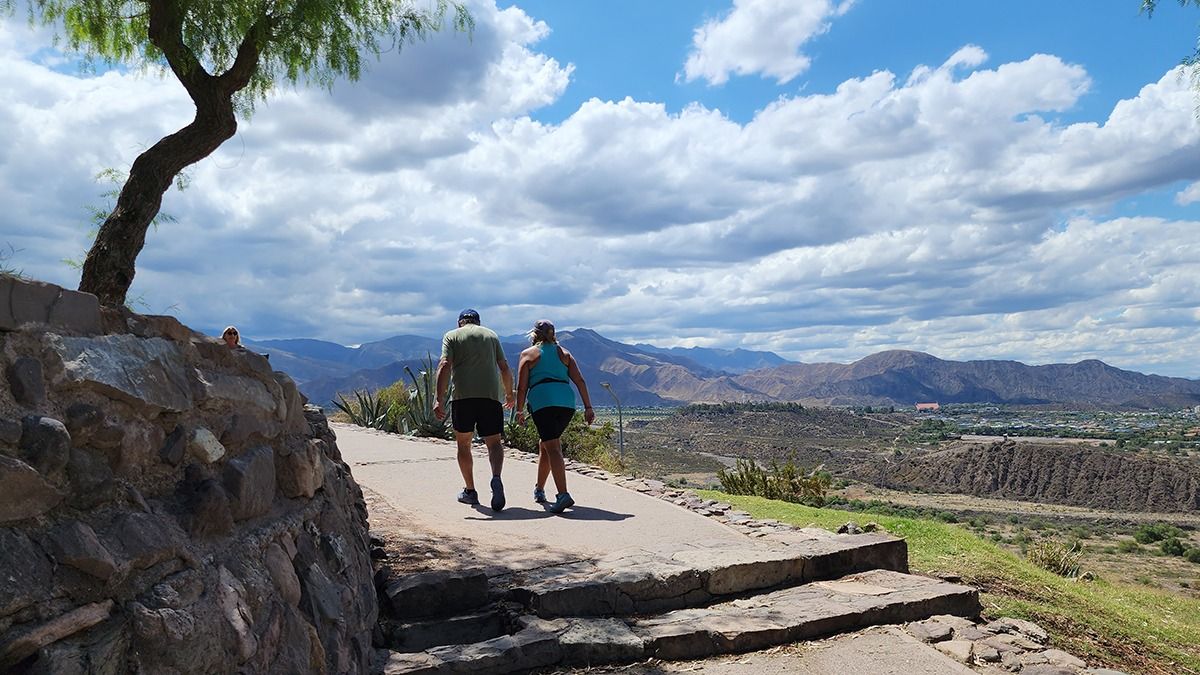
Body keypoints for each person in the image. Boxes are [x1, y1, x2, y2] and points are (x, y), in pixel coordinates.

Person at [433, 309, 515, 512]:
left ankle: (470, 491)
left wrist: (439, 398)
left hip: (463, 398)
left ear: (460, 322)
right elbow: (504, 367)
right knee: (494, 443)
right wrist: (509, 394)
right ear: (478, 322)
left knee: (463, 444)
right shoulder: (491, 335)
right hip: (490, 397)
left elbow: (445, 365)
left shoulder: (451, 336)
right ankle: (496, 477)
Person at [515, 319, 594, 514]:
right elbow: (579, 380)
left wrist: (518, 410)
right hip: (566, 403)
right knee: (547, 444)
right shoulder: (565, 353)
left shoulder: (528, 354)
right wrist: (588, 407)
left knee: (553, 447)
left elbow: (522, 387)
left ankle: (563, 495)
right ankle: (540, 489)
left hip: (543, 402)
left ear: (534, 335)